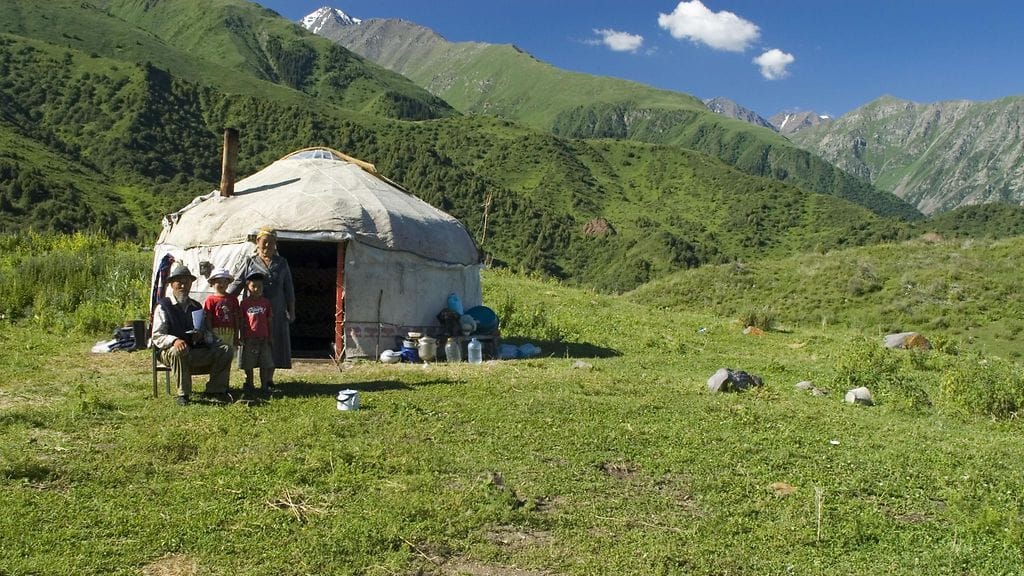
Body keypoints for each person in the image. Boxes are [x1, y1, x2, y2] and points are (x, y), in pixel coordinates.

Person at [151, 263, 233, 405]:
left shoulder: (196, 306)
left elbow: (206, 333)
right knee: (178, 350)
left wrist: (201, 335)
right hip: (168, 351)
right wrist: (174, 341)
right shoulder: (164, 306)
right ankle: (183, 394)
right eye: (179, 283)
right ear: (171, 284)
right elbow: (157, 335)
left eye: (187, 283)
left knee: (225, 350)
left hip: (193, 350)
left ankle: (216, 390)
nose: (183, 286)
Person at [229, 227, 295, 385]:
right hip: (252, 312)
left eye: (271, 243)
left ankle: (268, 379)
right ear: (257, 242)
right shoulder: (249, 262)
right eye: (264, 242)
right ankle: (249, 379)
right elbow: (238, 283)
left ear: (275, 244)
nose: (267, 246)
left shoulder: (282, 263)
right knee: (250, 342)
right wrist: (224, 298)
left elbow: (289, 288)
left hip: (276, 309)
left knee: (273, 341)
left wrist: (291, 311)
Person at [239, 272, 274, 394]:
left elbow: (269, 320)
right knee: (249, 363)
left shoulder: (266, 303)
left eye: (260, 286)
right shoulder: (244, 303)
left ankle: (264, 386)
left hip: (263, 337)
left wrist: (270, 336)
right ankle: (250, 384)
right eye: (253, 286)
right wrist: (241, 336)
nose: (256, 289)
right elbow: (242, 321)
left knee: (265, 362)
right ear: (248, 287)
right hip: (250, 338)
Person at [203, 267, 240, 359]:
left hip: (229, 331)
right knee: (217, 354)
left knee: (228, 355)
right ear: (212, 283)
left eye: (225, 282)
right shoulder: (210, 299)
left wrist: (236, 334)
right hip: (216, 332)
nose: (222, 284)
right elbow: (208, 317)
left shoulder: (233, 299)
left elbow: (236, 317)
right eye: (219, 282)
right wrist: (210, 333)